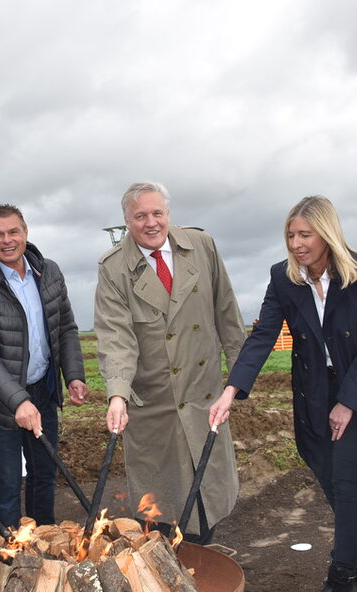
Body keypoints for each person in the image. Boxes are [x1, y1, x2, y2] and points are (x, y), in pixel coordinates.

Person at [209, 195, 357, 592]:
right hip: (314, 392)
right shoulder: (283, 278)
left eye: (305, 234)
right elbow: (263, 336)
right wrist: (231, 390)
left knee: (347, 481)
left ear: (326, 234)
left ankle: (342, 584)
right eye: (290, 235)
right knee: (327, 476)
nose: (296, 244)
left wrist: (348, 403)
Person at [94, 181, 246, 544]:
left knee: (206, 493)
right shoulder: (113, 268)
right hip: (154, 403)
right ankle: (166, 559)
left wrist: (239, 376)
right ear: (127, 221)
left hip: (202, 394)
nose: (151, 223)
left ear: (168, 213)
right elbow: (116, 337)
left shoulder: (201, 246)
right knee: (161, 503)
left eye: (157, 213)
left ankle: (201, 555)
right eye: (140, 216)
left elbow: (227, 311)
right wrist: (118, 395)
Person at [0, 204, 88, 531]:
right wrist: (18, 401)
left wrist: (73, 375)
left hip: (43, 391)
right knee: (6, 484)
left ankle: (44, 541)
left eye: (13, 232)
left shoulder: (49, 272)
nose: (6, 240)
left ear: (25, 233)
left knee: (44, 474)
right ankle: (8, 552)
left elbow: (66, 328)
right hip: (1, 402)